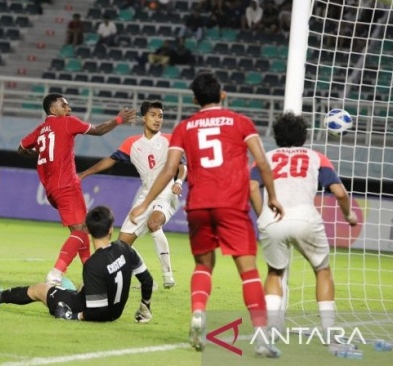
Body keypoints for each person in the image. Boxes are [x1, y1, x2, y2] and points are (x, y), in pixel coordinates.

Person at [129, 71, 284, 356]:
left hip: (199, 206)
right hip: (232, 205)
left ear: (195, 99)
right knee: (248, 271)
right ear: (222, 94)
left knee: (203, 266)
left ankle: (198, 314)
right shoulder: (241, 122)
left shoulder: (185, 127)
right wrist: (272, 196)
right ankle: (262, 337)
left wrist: (145, 202)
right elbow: (261, 161)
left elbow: (168, 170)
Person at [248, 112, 358, 339]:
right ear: (304, 137)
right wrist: (348, 215)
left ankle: (273, 328)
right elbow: (339, 193)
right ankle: (329, 331)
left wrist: (262, 215)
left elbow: (251, 188)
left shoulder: (265, 156)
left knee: (274, 272)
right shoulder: (316, 157)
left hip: (273, 219)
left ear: (276, 136)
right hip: (305, 217)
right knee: (322, 270)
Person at [18, 94, 137, 286]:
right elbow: (98, 130)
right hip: (66, 185)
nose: (69, 109)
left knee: (81, 229)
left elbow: (21, 148)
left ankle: (91, 277)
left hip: (51, 188)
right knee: (81, 230)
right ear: (52, 109)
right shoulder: (66, 122)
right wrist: (118, 120)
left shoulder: (40, 130)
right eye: (64, 105)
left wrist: (39, 153)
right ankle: (56, 273)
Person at [78, 100, 187, 289]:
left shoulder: (170, 139)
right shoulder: (132, 143)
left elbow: (182, 165)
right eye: (153, 115)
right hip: (145, 195)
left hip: (167, 192)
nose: (157, 119)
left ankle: (168, 275)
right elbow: (109, 161)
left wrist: (179, 181)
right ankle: (147, 280)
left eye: (160, 116)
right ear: (144, 118)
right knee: (122, 246)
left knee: (154, 223)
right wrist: (84, 174)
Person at [0, 206, 154, 323]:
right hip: (116, 312)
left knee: (40, 289)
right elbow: (147, 281)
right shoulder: (125, 247)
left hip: (94, 311)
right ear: (110, 229)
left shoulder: (93, 264)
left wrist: (72, 316)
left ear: (87, 229)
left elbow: (98, 312)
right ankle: (74, 291)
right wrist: (145, 308)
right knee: (84, 287)